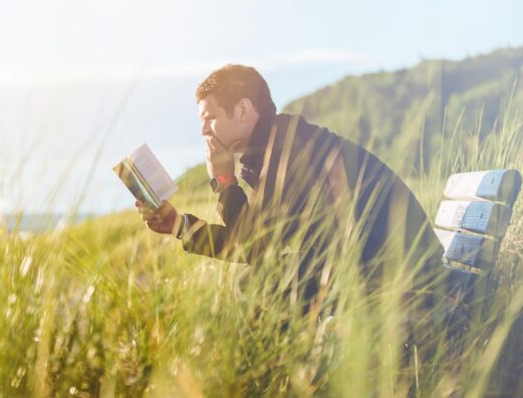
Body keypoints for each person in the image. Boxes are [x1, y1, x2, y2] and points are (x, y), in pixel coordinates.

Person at [136, 64, 445, 322]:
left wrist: (226, 181)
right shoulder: (274, 148)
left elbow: (256, 247)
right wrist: (179, 225)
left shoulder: (290, 151)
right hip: (377, 272)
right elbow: (258, 244)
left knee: (257, 285)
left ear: (243, 109)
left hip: (405, 282)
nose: (205, 132)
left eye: (210, 118)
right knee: (262, 282)